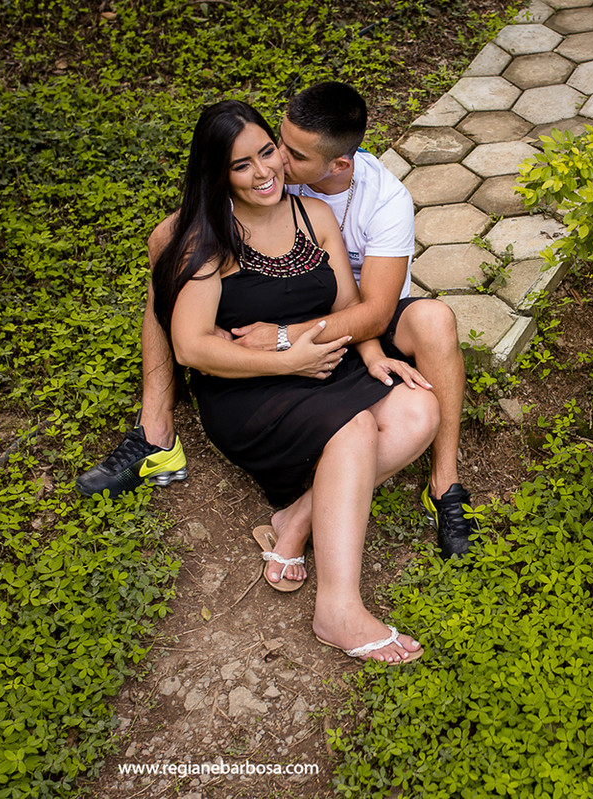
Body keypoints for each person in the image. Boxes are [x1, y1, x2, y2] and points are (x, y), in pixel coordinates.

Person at [77, 82, 478, 559]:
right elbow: (177, 229)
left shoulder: (383, 201)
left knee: (435, 320)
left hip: (360, 312)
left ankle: (444, 484)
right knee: (167, 267)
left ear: (338, 165)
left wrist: (284, 339)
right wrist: (194, 293)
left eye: (291, 154)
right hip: (290, 312)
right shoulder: (266, 176)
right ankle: (156, 430)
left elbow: (371, 311)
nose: (278, 162)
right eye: (277, 142)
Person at [151, 99, 436, 662]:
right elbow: (191, 347)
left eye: (267, 153)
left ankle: (296, 515)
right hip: (247, 388)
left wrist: (374, 354)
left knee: (417, 410)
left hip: (325, 367)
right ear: (218, 175)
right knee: (354, 427)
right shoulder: (209, 243)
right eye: (242, 165)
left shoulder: (314, 216)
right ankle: (338, 608)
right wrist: (288, 361)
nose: (264, 172)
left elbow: (350, 302)